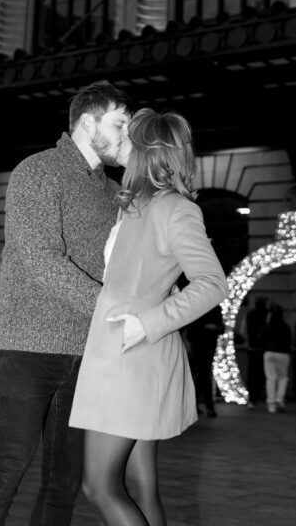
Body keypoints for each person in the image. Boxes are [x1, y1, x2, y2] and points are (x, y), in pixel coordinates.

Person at [0, 79, 131, 526]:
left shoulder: (114, 193)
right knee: (3, 477)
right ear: (88, 121)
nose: (126, 135)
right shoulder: (37, 171)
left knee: (64, 486)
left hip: (87, 353)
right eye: (120, 123)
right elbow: (40, 258)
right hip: (29, 348)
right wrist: (111, 310)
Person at [69, 108, 228, 526]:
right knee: (142, 488)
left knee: (99, 487)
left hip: (130, 359)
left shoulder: (174, 208)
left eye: (126, 134)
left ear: (145, 151)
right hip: (124, 357)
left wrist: (148, 320)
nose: (118, 139)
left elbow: (212, 283)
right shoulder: (136, 204)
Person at [184, 304, 225, 417]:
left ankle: (195, 404)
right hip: (198, 344)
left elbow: (222, 328)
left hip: (208, 344)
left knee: (203, 373)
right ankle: (204, 405)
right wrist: (206, 327)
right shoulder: (198, 306)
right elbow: (191, 329)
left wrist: (215, 328)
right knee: (204, 373)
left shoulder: (214, 308)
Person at [259, 304, 292, 413]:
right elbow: (289, 341)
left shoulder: (267, 327)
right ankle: (279, 398)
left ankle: (271, 402)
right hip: (283, 353)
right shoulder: (286, 327)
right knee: (283, 377)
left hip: (269, 353)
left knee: (271, 378)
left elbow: (261, 340)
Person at [245, 294, 269, 407]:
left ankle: (252, 397)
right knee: (263, 373)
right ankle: (261, 394)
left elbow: (245, 330)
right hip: (264, 348)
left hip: (252, 347)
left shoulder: (250, 315)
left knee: (252, 373)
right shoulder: (267, 315)